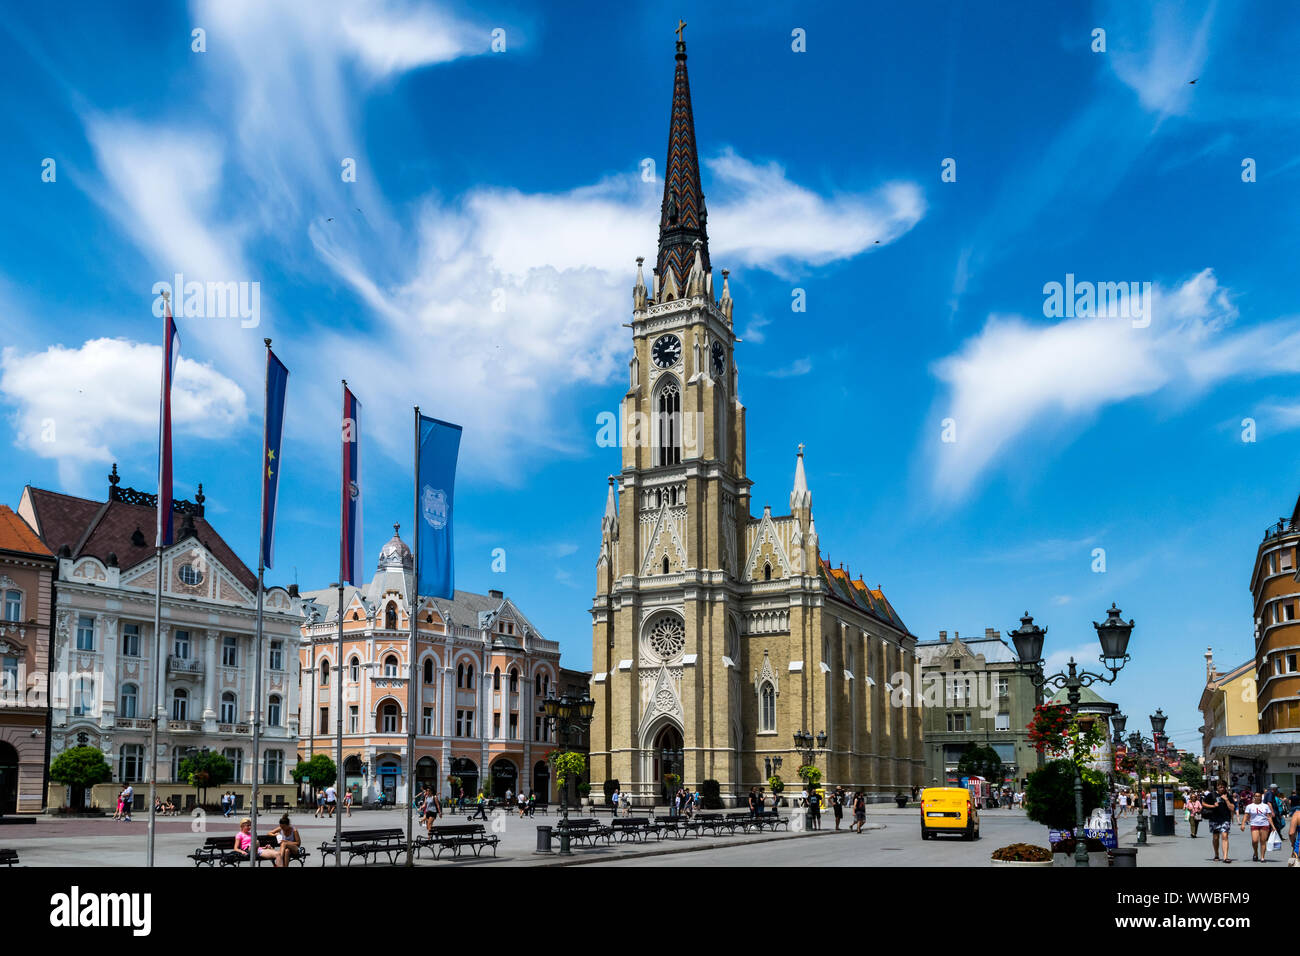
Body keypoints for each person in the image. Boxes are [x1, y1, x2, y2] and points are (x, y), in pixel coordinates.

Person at [1203, 782, 1235, 863]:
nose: (1222, 789)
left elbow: (1232, 808)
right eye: (1220, 787)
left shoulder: (1228, 796)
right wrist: (1213, 806)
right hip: (1214, 818)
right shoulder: (1211, 795)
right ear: (1217, 787)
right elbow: (1203, 803)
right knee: (1216, 838)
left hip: (1225, 819)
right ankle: (1216, 854)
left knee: (1225, 836)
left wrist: (1226, 800)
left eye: (1224, 787)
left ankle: (1225, 857)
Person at [1242, 791, 1275, 862]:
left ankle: (1262, 857)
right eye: (1256, 796)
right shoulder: (1249, 806)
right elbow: (1246, 815)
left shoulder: (1265, 806)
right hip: (1254, 824)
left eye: (1259, 796)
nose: (1257, 797)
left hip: (1264, 825)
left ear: (1261, 797)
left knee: (1263, 841)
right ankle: (1256, 853)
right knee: (1255, 840)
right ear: (1254, 797)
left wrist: (1273, 826)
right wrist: (1243, 824)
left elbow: (1269, 817)